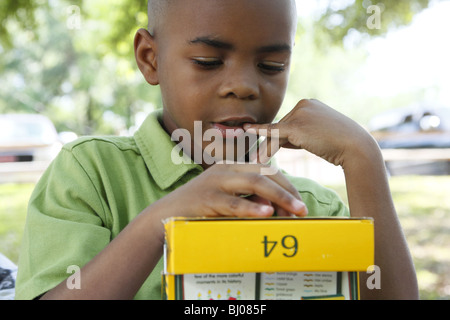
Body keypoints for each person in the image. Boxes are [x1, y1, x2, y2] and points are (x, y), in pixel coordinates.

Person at [15, 0, 418, 300]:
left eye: (272, 66)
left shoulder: (311, 207)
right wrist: (161, 221)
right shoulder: (91, 174)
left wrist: (363, 158)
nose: (242, 85)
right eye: (209, 61)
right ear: (149, 58)